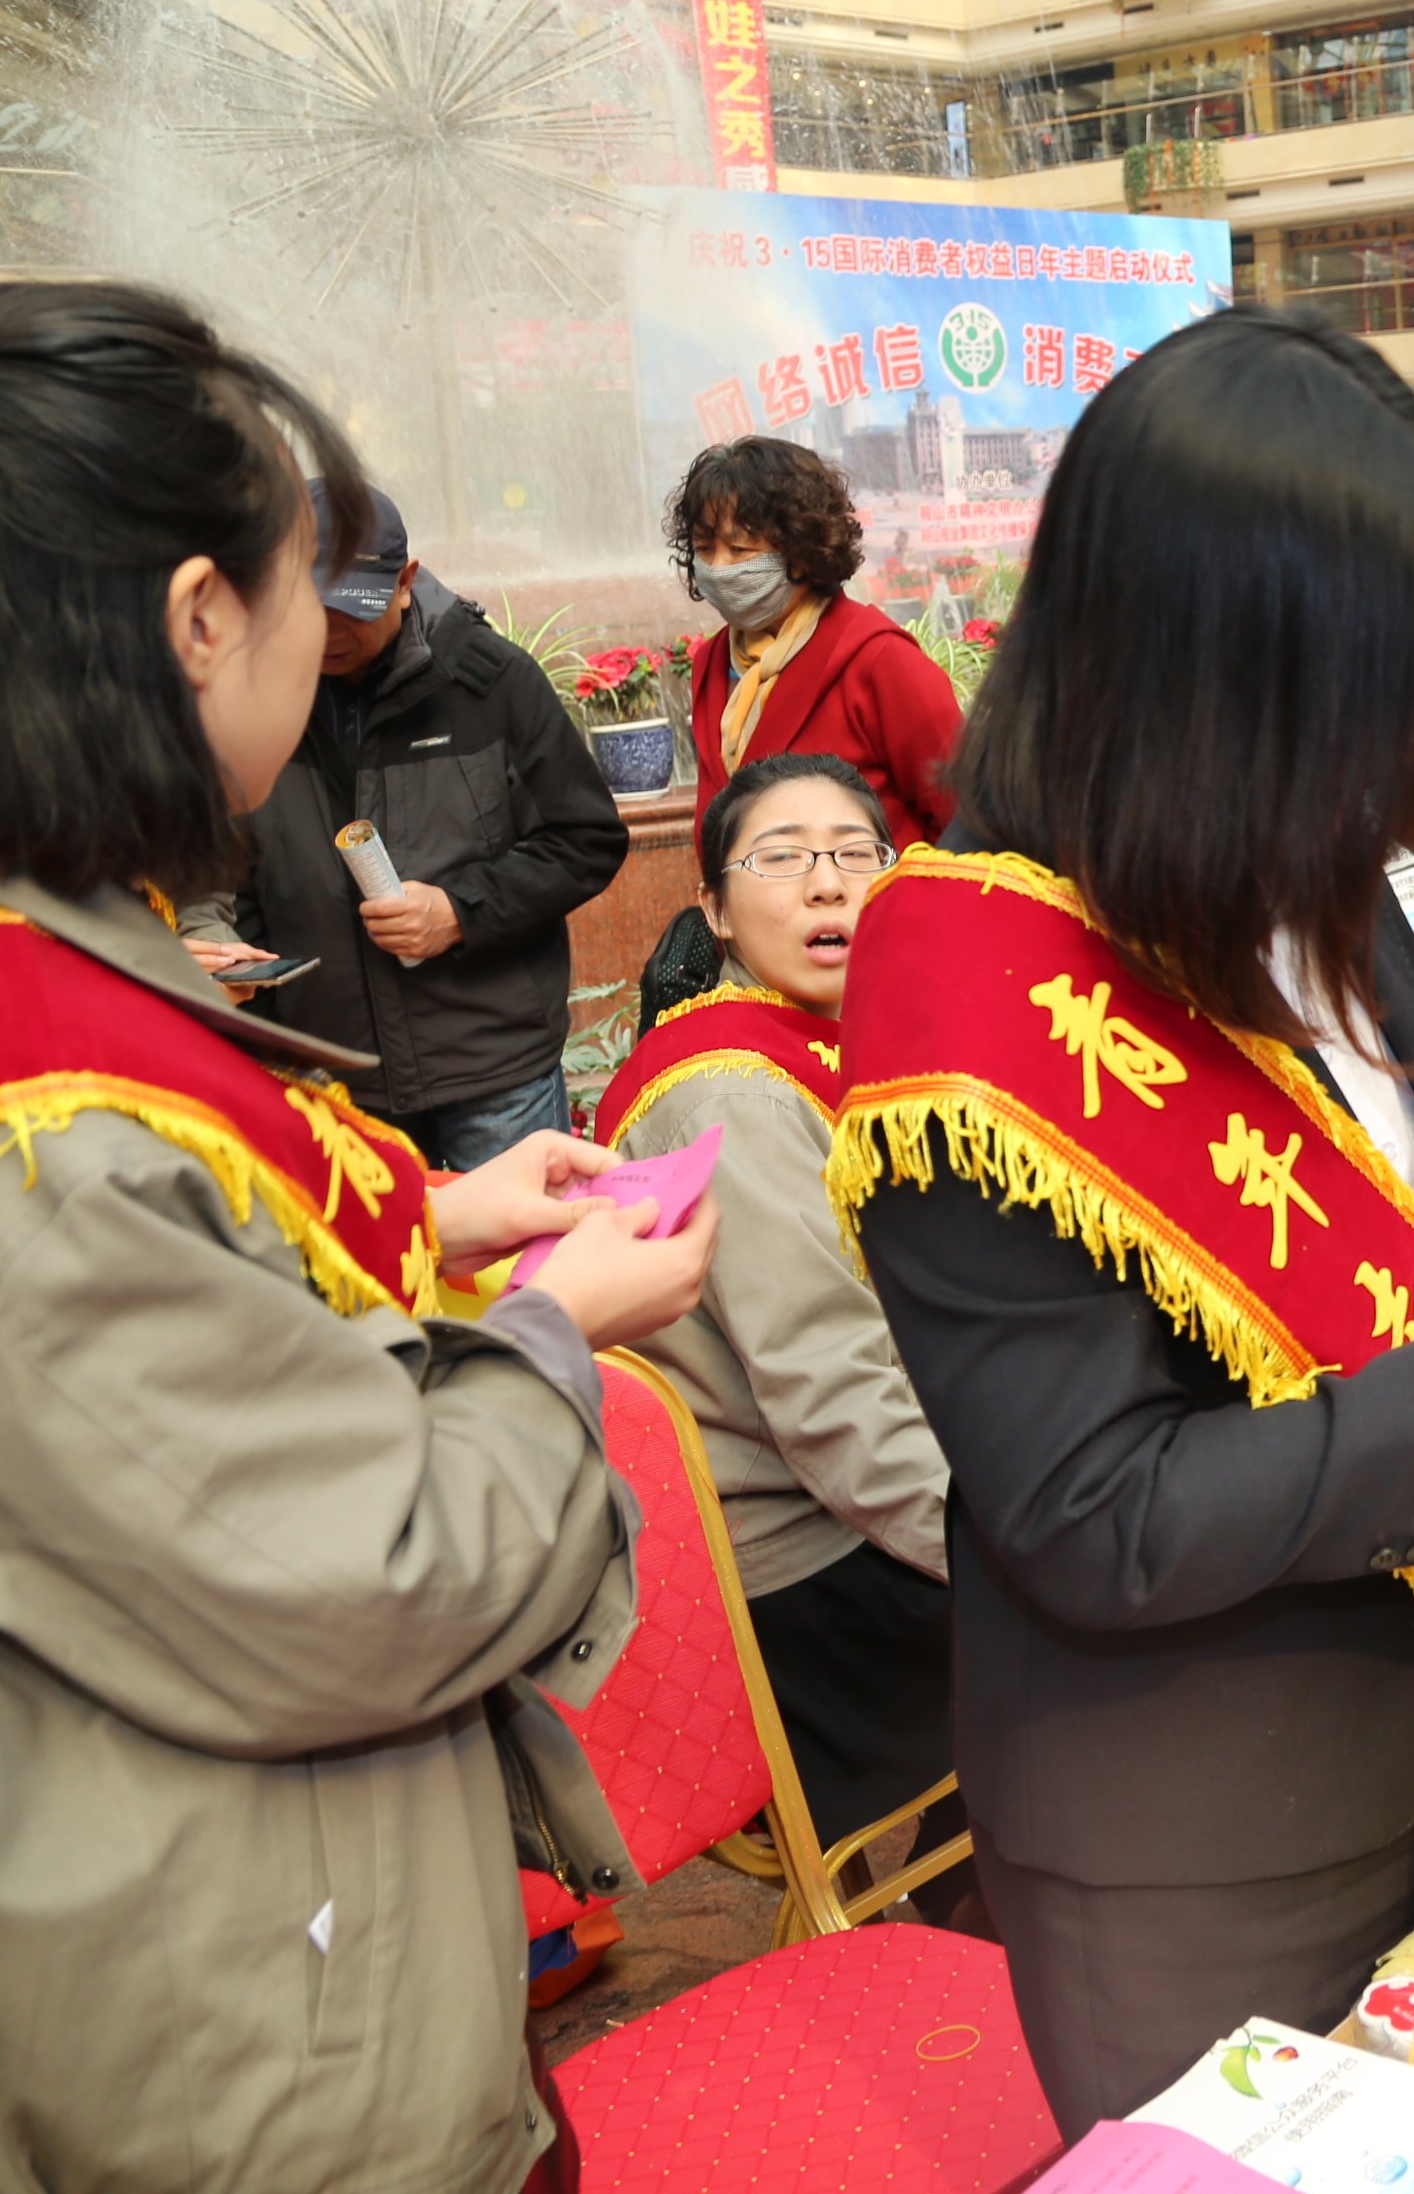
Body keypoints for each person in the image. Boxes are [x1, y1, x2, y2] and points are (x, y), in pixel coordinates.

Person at [0, 276, 709, 2192]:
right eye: (308, 584)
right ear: (200, 617)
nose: (335, 637)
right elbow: (375, 1571)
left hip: (223, 1994)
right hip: (236, 2084)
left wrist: (450, 1224)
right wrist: (556, 1333)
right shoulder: (11, 1109)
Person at [828, 308, 1414, 2132]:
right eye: (1380, 674)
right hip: (1186, 1834)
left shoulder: (1283, 855)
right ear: (1228, 668)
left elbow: (1393, 1130)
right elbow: (1098, 1514)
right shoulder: (973, 1002)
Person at [595, 749, 973, 1927]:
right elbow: (839, 1410)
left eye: (856, 854)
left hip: (840, 1515)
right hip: (804, 1578)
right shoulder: (733, 1089)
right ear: (711, 906)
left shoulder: (837, 1042)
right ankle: (1002, 1933)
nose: (827, 885)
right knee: (1130, 1638)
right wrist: (1029, 1549)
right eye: (782, 858)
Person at [179, 484, 629, 1171]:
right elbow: (216, 865)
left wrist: (460, 911)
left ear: (405, 582)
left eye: (349, 609)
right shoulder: (246, 697)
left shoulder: (491, 683)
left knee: (520, 1274)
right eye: (308, 608)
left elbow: (587, 839)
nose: (329, 631)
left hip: (491, 1072)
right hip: (331, 1073)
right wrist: (219, 943)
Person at [675, 435, 965, 847]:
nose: (718, 568)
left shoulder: (881, 660)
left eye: (739, 548)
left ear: (801, 549)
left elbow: (967, 820)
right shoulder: (711, 663)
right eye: (704, 548)